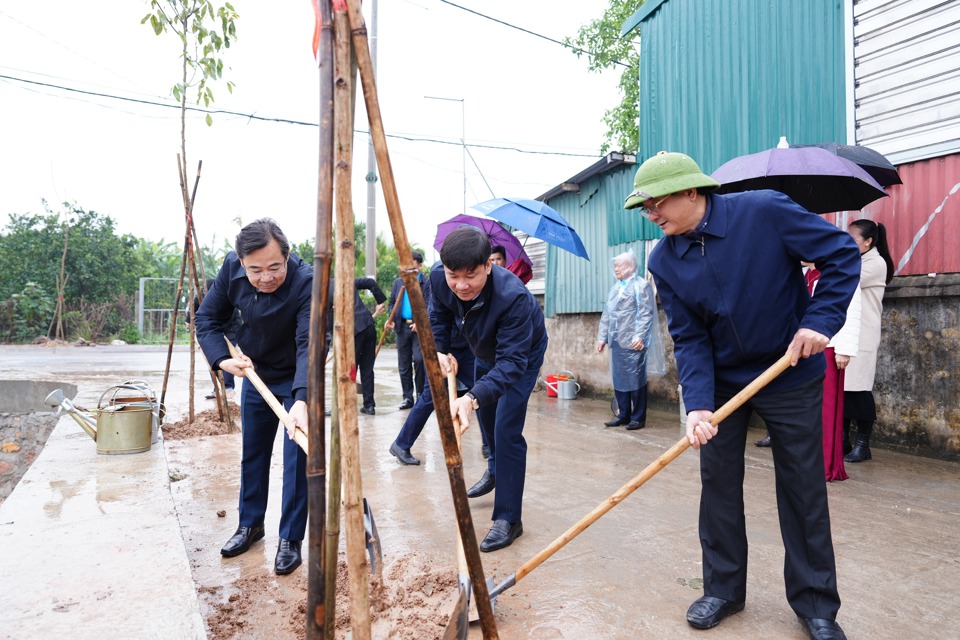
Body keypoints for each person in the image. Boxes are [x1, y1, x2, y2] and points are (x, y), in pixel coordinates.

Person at [624, 151, 859, 640]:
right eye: (645, 209)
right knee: (719, 487)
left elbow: (840, 255)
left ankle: (816, 604)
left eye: (656, 204)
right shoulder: (663, 260)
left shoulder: (764, 211)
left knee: (802, 488)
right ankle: (723, 589)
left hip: (789, 371)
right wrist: (700, 405)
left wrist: (819, 321)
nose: (652, 216)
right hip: (724, 382)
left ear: (692, 190)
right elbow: (688, 337)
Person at [195, 218, 313, 576]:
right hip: (255, 372)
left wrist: (303, 398)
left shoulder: (307, 282)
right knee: (253, 454)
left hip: (297, 377)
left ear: (288, 257)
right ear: (241, 262)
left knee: (297, 460)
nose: (266, 277)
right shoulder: (232, 269)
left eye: (275, 267)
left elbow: (309, 342)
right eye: (256, 270)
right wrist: (222, 359)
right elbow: (207, 318)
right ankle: (250, 525)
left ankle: (290, 539)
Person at [431, 227, 548, 552]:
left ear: (489, 266)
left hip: (519, 356)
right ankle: (496, 468)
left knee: (506, 428)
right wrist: (440, 348)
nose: (461, 285)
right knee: (487, 415)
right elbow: (438, 311)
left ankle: (509, 519)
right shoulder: (440, 279)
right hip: (483, 348)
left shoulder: (514, 298)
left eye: (471, 275)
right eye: (454, 276)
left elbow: (511, 364)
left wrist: (470, 398)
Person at [389, 317, 475, 466]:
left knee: (480, 389)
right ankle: (401, 444)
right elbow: (436, 316)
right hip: (446, 348)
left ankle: (491, 446)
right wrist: (441, 350)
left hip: (465, 346)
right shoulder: (440, 294)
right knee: (432, 396)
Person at [805, 263, 862, 482]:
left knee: (827, 409)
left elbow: (851, 309)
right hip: (805, 348)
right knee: (808, 408)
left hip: (829, 348)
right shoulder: (805, 274)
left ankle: (825, 466)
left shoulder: (840, 270)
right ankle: (808, 464)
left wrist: (844, 350)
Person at [595, 251, 665, 430]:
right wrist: (602, 337)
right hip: (617, 340)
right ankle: (623, 414)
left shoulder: (642, 286)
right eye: (615, 265)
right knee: (619, 378)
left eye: (620, 265)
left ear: (631, 267)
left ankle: (638, 417)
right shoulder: (615, 288)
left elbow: (646, 313)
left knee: (636, 380)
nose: (616, 269)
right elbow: (607, 314)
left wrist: (640, 335)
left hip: (634, 342)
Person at [844, 219, 894, 463]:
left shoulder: (875, 263)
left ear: (868, 241)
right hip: (846, 334)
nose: (847, 242)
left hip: (863, 335)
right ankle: (844, 441)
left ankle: (863, 444)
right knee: (843, 389)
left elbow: (846, 279)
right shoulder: (858, 260)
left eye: (852, 239)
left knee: (859, 390)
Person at [385, 251, 428, 410]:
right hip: (401, 327)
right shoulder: (398, 282)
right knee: (403, 364)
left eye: (413, 265)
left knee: (419, 360)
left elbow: (431, 306)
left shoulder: (425, 282)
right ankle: (407, 398)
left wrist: (421, 323)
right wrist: (391, 319)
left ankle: (420, 397)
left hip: (418, 329)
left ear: (420, 266)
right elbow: (391, 303)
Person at [188, 278, 241, 401]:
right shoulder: (201, 297)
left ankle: (228, 387)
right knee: (214, 359)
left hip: (230, 330)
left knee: (226, 358)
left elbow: (229, 319)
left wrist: (217, 334)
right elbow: (193, 308)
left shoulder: (226, 295)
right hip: (212, 331)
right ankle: (217, 388)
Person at [352, 277, 387, 415]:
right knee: (367, 368)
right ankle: (369, 405)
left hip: (354, 330)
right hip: (368, 325)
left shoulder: (322, 291)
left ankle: (343, 405)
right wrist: (380, 301)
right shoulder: (349, 280)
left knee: (348, 369)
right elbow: (371, 283)